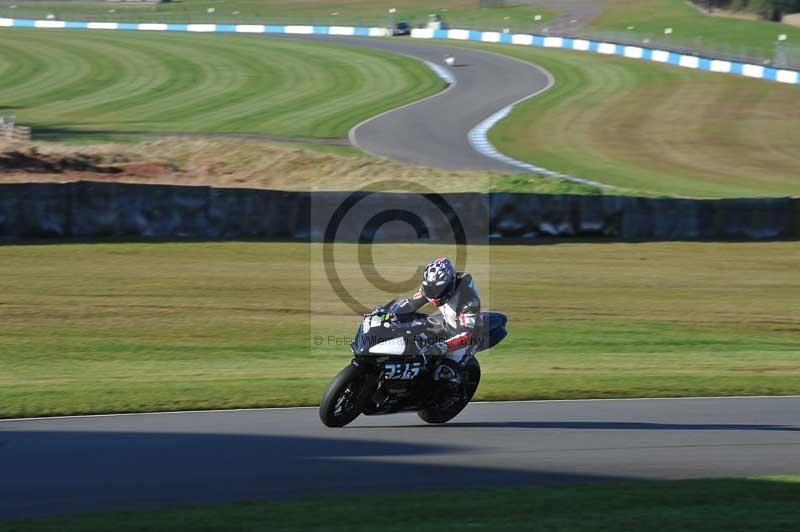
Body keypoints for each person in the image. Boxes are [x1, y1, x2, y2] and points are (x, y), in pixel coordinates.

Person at [389, 257, 481, 385]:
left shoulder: (468, 300)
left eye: (439, 289)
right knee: (413, 332)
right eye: (430, 289)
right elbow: (410, 304)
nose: (434, 294)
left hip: (467, 334)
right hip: (446, 322)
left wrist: (443, 346)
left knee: (444, 374)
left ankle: (445, 393)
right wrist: (388, 314)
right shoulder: (431, 287)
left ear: (450, 284)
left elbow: (466, 336)